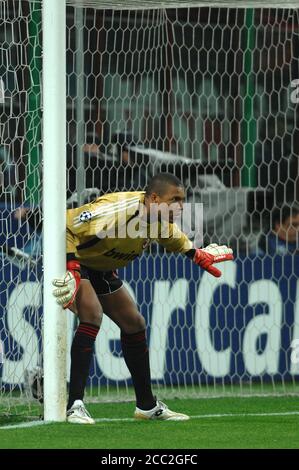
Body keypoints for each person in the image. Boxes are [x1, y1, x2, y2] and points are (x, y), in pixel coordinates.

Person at [52, 172, 233, 424]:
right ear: (154, 198)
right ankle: (74, 405)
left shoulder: (158, 219)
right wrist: (72, 266)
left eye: (183, 200)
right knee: (92, 314)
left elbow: (172, 237)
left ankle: (146, 406)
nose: (181, 206)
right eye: (175, 200)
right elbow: (66, 223)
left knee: (134, 323)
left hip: (100, 267)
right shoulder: (117, 210)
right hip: (72, 258)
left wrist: (196, 254)